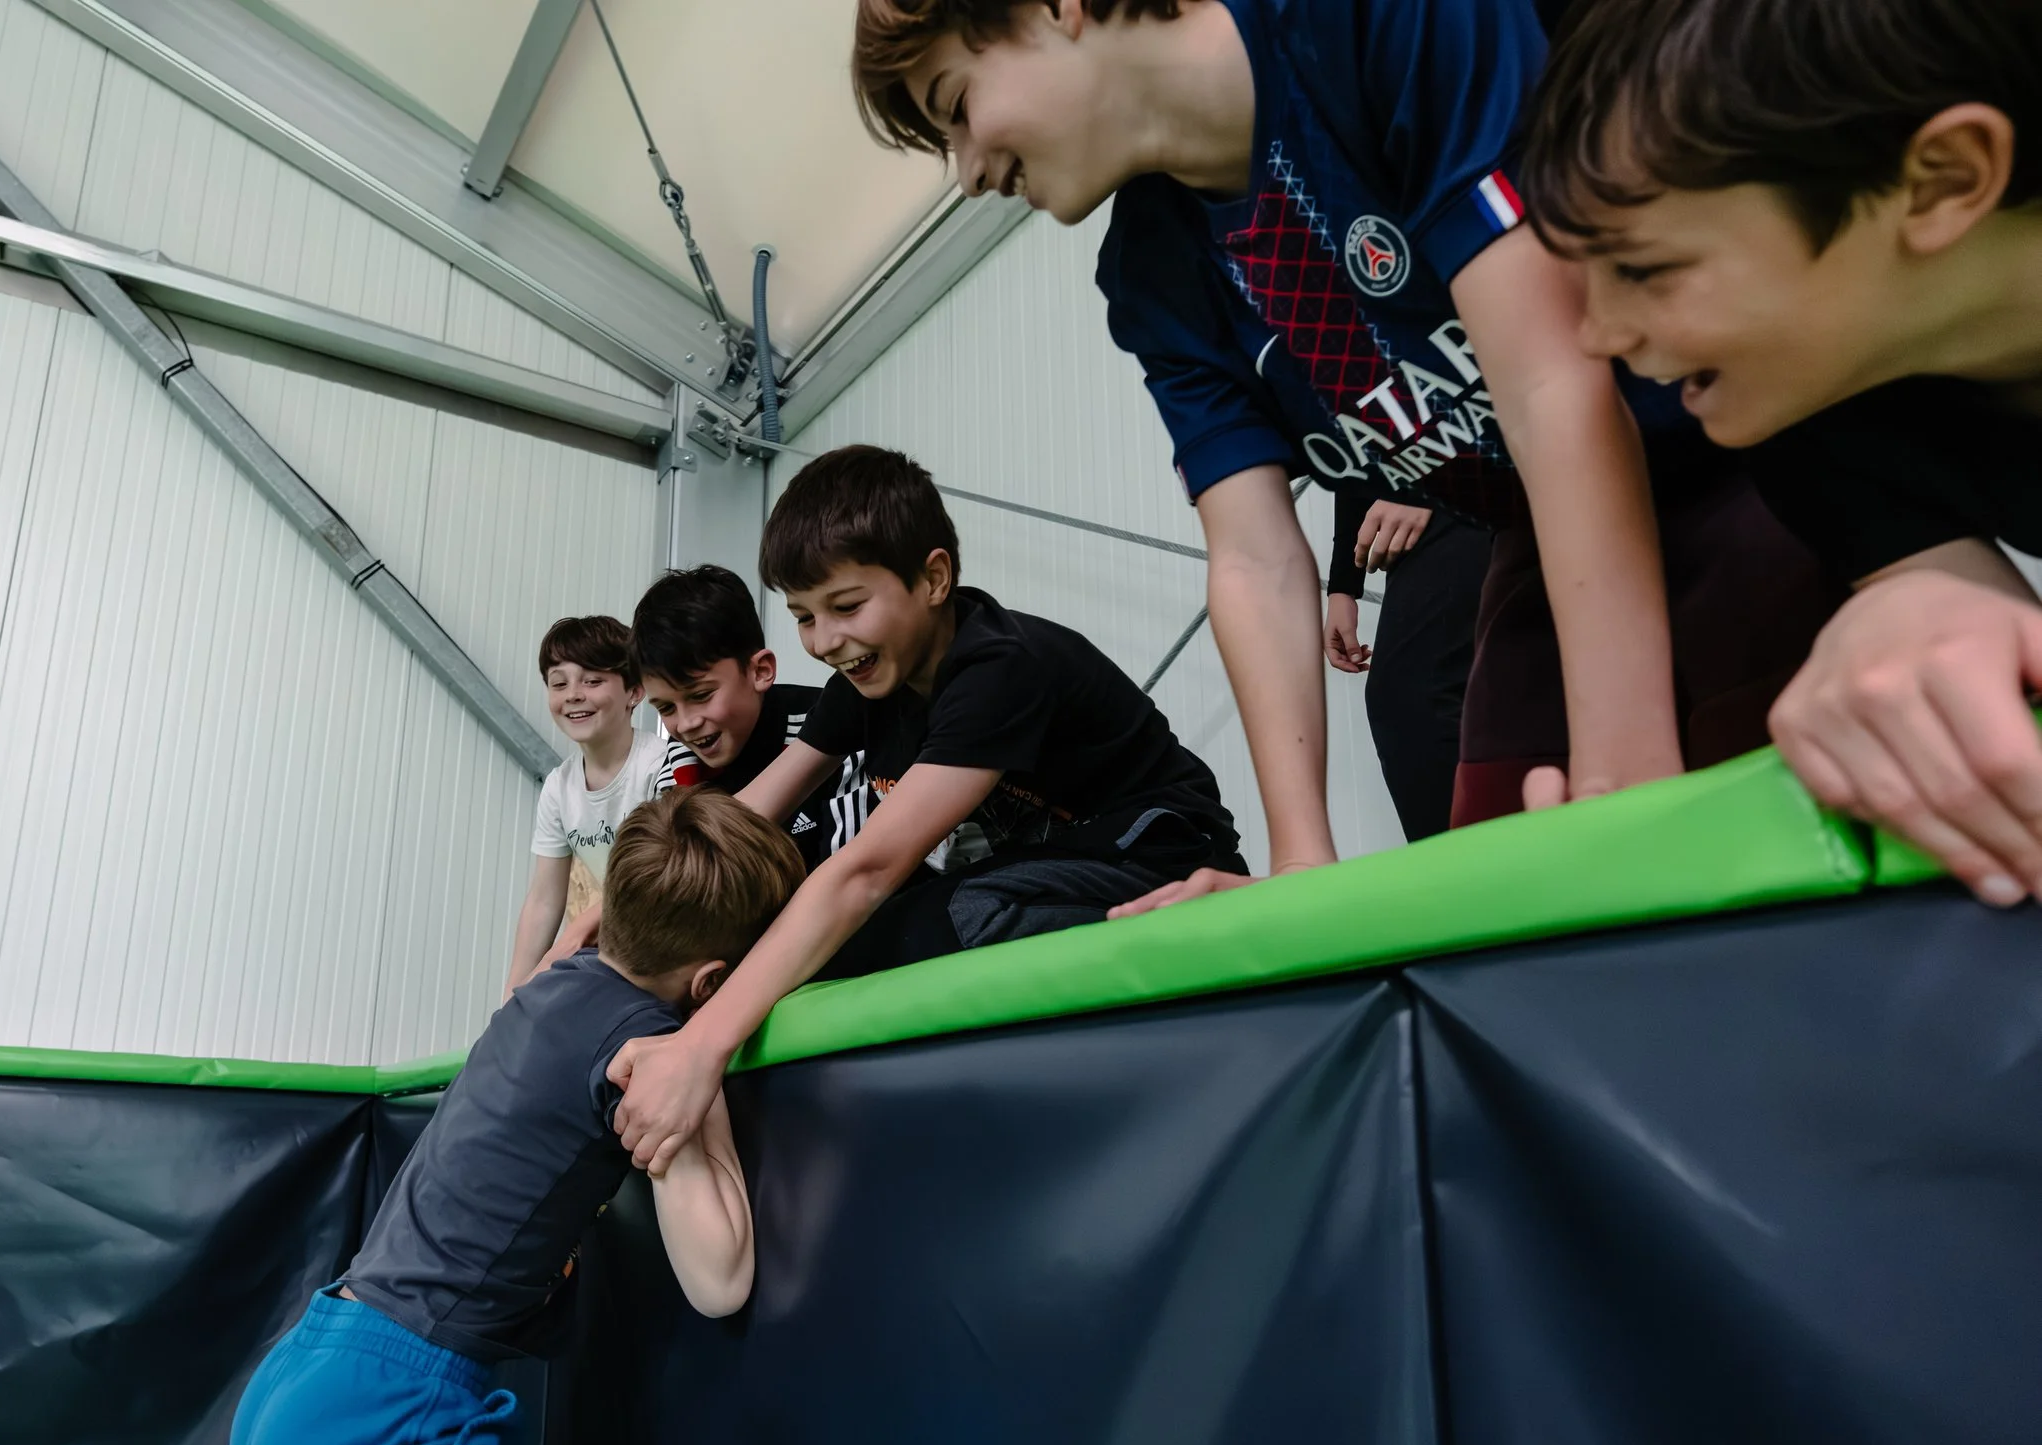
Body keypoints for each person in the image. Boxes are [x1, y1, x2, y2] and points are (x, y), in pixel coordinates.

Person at [849, 0, 1841, 913]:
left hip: (1735, 446)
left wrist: (1624, 767)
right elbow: (1252, 556)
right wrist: (1298, 864)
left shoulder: (1363, 24)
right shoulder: (1151, 270)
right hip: (1533, 532)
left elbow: (1553, 384)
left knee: (1774, 826)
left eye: (956, 107)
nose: (969, 171)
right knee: (1507, 888)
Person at [231, 788, 804, 1445]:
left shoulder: (547, 985)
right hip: (380, 1419)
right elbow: (719, 1278)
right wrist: (705, 1054)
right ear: (713, 983)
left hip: (309, 1373)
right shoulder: (646, 1050)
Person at [1519, 0, 2042, 907]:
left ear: (1945, 179)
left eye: (1644, 269)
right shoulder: (1815, 418)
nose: (1596, 336)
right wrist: (1921, 609)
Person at [606, 445, 1244, 1176]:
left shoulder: (997, 667)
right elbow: (751, 813)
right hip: (1047, 867)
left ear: (934, 578)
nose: (824, 641)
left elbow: (867, 869)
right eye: (804, 616)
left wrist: (704, 1042)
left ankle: (1188, 922)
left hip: (1159, 852)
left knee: (931, 915)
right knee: (845, 938)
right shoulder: (866, 678)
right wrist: (632, 910)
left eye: (846, 607)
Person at [635, 564, 878, 867]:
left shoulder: (835, 731)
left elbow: (851, 880)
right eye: (666, 708)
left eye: (701, 695)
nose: (686, 724)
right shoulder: (679, 763)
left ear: (760, 671)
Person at [505, 616, 674, 1000]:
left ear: (634, 691)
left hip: (671, 941)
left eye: (592, 681)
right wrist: (512, 994)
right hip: (617, 949)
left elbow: (660, 880)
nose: (573, 694)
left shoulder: (661, 765)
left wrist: (578, 932)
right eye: (558, 683)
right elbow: (544, 899)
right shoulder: (558, 787)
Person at [1324, 490, 1494, 841]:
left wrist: (1430, 486)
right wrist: (1344, 584)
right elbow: (1357, 449)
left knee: (1415, 696)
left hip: (1476, 482)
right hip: (1431, 493)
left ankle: (1476, 872)